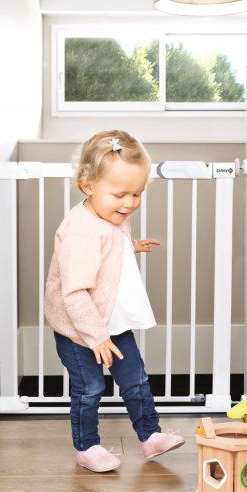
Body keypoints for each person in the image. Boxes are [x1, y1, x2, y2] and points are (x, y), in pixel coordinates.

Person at [43, 130, 185, 472]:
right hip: (80, 330)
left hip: (112, 321)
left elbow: (108, 245)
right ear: (87, 186)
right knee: (90, 388)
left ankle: (150, 435)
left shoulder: (110, 215)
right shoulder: (80, 231)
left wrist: (129, 246)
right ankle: (87, 447)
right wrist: (96, 337)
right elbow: (74, 293)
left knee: (135, 379)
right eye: (120, 194)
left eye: (137, 193)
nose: (130, 203)